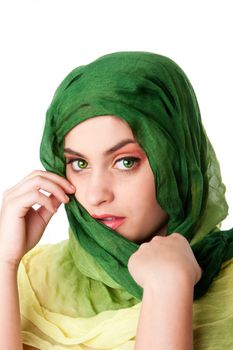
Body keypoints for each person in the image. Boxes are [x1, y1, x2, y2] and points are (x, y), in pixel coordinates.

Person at [0, 51, 233, 350]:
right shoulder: (32, 278)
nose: (96, 195)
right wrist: (5, 263)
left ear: (176, 160)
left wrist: (168, 285)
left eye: (125, 162)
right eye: (79, 165)